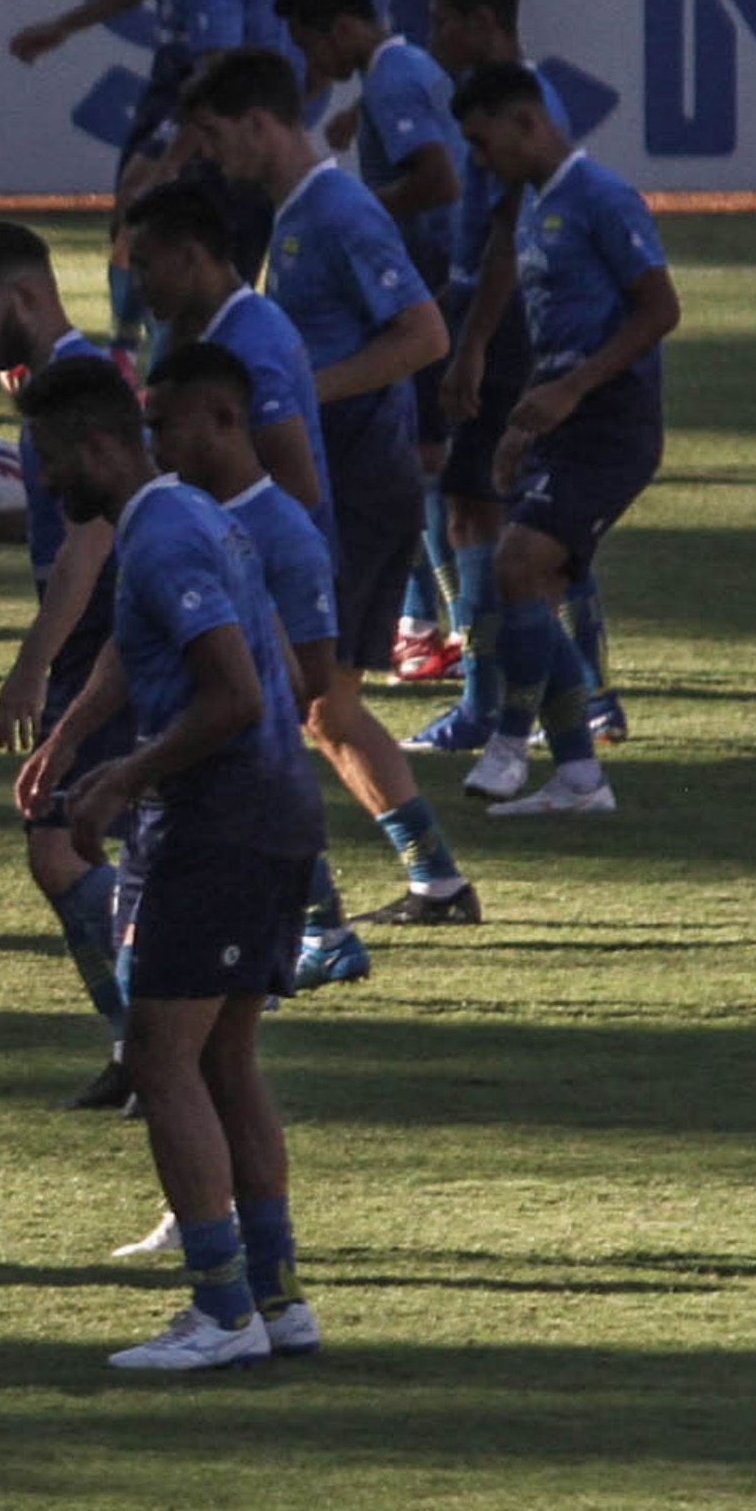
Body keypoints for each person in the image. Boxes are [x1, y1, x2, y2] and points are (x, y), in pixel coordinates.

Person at [13, 354, 324, 1371]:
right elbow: (140, 648)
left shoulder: (166, 533)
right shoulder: (183, 516)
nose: (52, 484)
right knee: (225, 1057)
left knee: (160, 1057)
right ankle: (275, 1301)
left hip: (219, 822)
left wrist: (124, 776)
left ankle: (221, 1310)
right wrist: (67, 741)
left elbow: (230, 689)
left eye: (57, 462)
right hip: (270, 813)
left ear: (102, 446)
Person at [176, 50, 483, 951]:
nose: (209, 156)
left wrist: (311, 390)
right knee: (321, 710)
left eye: (214, 136)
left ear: (259, 123)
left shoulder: (338, 209)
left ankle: (319, 925)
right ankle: (434, 879)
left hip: (355, 489)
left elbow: (423, 334)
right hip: (343, 485)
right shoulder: (298, 213)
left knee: (284, 704)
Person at [0, 223, 133, 1111]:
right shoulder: (57, 384)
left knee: (61, 848)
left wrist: (34, 663)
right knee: (92, 842)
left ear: (27, 296)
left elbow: (91, 537)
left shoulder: (77, 385)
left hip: (101, 637)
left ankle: (159, 1035)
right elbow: (66, 515)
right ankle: (148, 1043)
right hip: (99, 630)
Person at [6, 0, 317, 358]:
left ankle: (163, 358)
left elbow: (226, 58)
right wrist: (67, 26)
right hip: (210, 84)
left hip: (214, 92)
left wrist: (172, 151)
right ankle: (145, 347)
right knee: (152, 211)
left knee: (170, 214)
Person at [449, 61, 680, 816]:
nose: (482, 162)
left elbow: (659, 309)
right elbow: (550, 327)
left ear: (526, 122)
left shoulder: (602, 198)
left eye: (485, 144)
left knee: (518, 567)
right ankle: (580, 776)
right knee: (532, 587)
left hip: (613, 421)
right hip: (563, 421)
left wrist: (575, 389)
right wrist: (521, 415)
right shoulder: (533, 204)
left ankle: (511, 742)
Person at [412, 0, 611, 758]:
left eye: (442, 17)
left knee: (479, 510)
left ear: (480, 21)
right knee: (517, 513)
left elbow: (503, 238)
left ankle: (487, 703)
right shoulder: (507, 102)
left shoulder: (517, 112)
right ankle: (586, 694)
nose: (432, 32)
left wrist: (473, 347)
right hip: (502, 316)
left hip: (500, 322)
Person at [278, 0, 465, 683]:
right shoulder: (404, 68)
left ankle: (427, 630)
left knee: (425, 478)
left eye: (311, 42)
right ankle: (427, 627)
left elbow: (438, 180)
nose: (311, 62)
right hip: (430, 284)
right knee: (426, 478)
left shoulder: (389, 79)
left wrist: (353, 218)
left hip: (422, 291)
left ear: (344, 28)